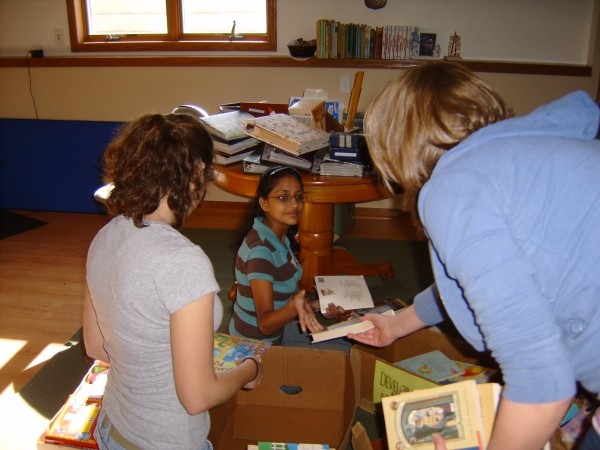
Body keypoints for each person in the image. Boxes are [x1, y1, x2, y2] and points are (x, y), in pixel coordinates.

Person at [348, 61, 600, 450]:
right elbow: (479, 281)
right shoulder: (522, 156)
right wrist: (398, 324)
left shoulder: (451, 190)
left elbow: (541, 382)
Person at [83, 113, 263, 450]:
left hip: (112, 429)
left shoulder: (104, 237)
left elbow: (96, 346)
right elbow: (197, 397)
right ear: (196, 172)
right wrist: (249, 370)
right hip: (165, 440)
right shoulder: (184, 262)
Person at [228, 166, 325, 345]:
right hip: (256, 347)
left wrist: (315, 305)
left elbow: (279, 294)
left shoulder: (278, 238)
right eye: (283, 197)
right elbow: (265, 324)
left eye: (299, 196)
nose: (294, 204)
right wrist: (294, 307)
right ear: (264, 203)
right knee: (343, 351)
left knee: (343, 339)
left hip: (275, 335)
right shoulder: (261, 253)